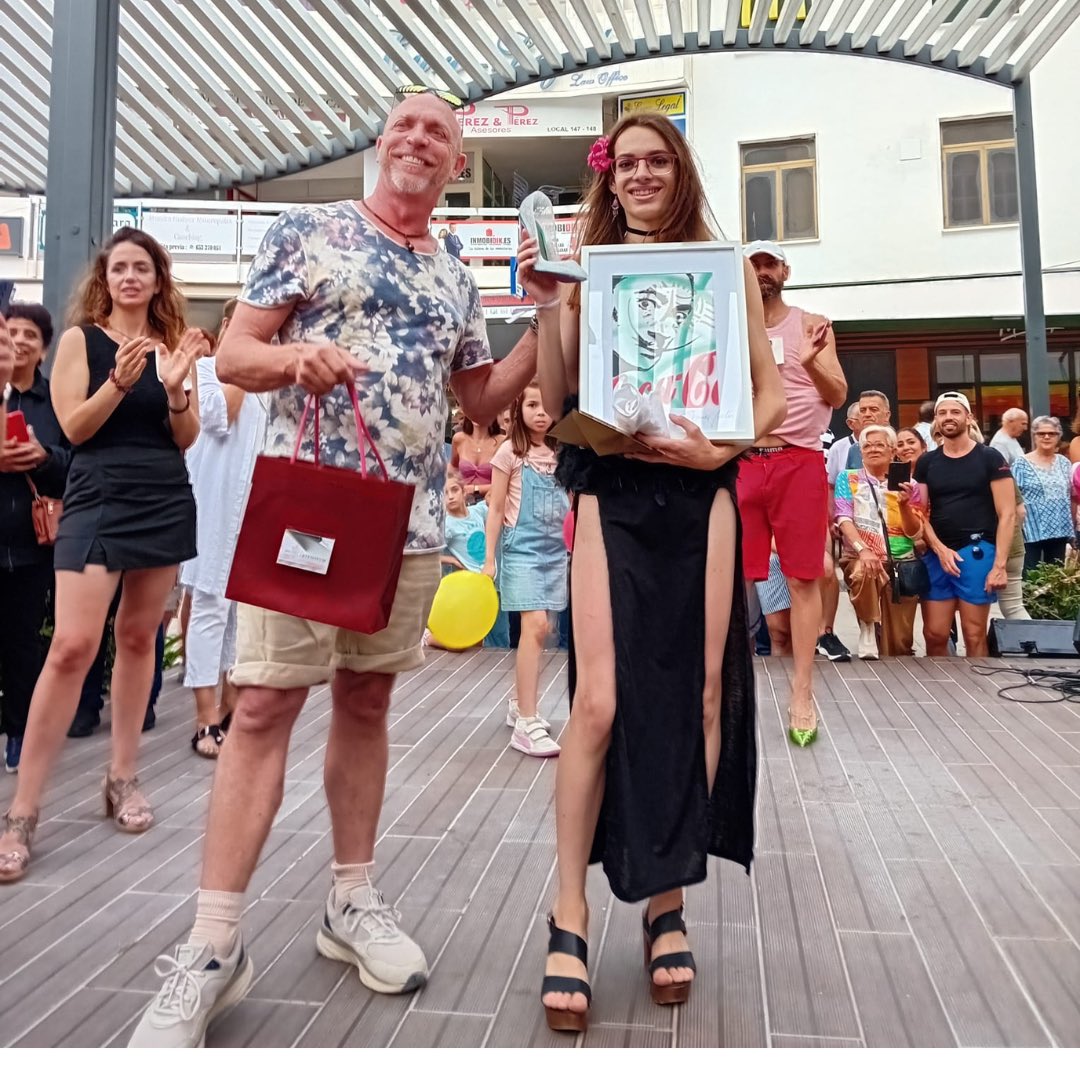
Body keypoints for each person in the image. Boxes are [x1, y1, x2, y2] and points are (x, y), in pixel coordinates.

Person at [128, 87, 539, 1049]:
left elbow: (479, 391)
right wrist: (294, 357)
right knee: (264, 705)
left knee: (366, 704)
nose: (416, 139)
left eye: (437, 132)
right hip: (306, 515)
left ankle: (350, 903)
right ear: (381, 143)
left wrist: (551, 318)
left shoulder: (454, 272)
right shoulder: (306, 229)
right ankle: (215, 943)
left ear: (454, 163)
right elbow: (232, 352)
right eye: (404, 125)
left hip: (411, 526)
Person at [520, 113, 785, 1033]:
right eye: (625, 162)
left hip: (699, 489)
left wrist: (721, 444)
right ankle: (570, 911)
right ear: (609, 175)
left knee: (702, 696)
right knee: (597, 702)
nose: (639, 174)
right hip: (613, 493)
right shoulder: (583, 266)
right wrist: (550, 305)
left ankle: (666, 900)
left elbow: (766, 389)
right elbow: (557, 403)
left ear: (680, 171)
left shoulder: (725, 268)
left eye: (655, 160)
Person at [0, 227, 206, 884]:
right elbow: (74, 430)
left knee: (140, 637)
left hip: (162, 493)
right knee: (71, 646)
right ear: (105, 278)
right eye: (119, 267)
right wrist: (118, 383)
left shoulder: (172, 348)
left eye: (141, 267)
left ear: (156, 279)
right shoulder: (79, 342)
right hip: (96, 493)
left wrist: (174, 390)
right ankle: (22, 812)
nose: (130, 278)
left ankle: (122, 778)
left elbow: (186, 437)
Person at [740, 240, 847, 746]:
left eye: (769, 263)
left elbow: (839, 395)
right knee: (727, 576)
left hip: (799, 460)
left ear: (784, 270)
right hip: (739, 460)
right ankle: (720, 685)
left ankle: (802, 691)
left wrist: (811, 361)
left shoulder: (812, 324)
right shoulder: (728, 323)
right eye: (753, 263)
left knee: (806, 577)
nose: (762, 271)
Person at [180, 300, 266, 758]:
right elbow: (216, 417)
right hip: (212, 504)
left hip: (257, 510)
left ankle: (232, 711)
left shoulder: (272, 380)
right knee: (210, 604)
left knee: (243, 616)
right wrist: (239, 362)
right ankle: (203, 716)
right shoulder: (207, 368)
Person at [0, 303, 71, 774]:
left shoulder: (55, 402)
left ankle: (19, 732)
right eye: (11, 335)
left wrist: (43, 458)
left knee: (24, 643)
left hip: (31, 545)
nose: (18, 342)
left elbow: (76, 465)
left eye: (29, 335)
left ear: (44, 347)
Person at [483, 380, 567, 757]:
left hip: (556, 551)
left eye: (546, 405)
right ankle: (529, 721)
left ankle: (519, 702)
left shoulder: (565, 453)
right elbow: (496, 508)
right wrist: (489, 559)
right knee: (533, 627)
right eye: (532, 405)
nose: (540, 413)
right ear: (519, 410)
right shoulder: (509, 453)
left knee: (545, 630)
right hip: (523, 552)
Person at [913, 392, 1015, 657]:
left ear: (969, 417)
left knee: (973, 634)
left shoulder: (990, 458)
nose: (949, 417)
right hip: (938, 555)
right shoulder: (927, 462)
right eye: (942, 413)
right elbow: (919, 513)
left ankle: (977, 695)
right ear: (936, 420)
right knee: (934, 634)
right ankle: (943, 693)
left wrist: (1000, 566)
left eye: (955, 412)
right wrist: (939, 549)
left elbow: (1007, 514)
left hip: (977, 552)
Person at [834, 426, 924, 659]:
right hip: (861, 556)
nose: (873, 449)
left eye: (879, 445)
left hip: (901, 562)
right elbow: (843, 519)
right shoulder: (848, 478)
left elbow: (915, 534)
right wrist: (863, 550)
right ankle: (867, 626)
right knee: (864, 571)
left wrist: (904, 505)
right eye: (867, 445)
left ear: (893, 451)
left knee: (899, 646)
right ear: (860, 451)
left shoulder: (910, 485)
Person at [440, 471, 510, 648]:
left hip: (493, 579)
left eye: (454, 490)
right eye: (445, 493)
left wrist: (485, 492)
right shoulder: (448, 525)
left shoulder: (478, 511)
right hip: (473, 587)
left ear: (464, 492)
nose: (450, 496)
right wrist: (451, 560)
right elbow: (430, 553)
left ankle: (500, 665)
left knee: (500, 630)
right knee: (476, 631)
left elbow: (498, 494)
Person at [1012, 415, 1073, 572]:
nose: (1046, 436)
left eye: (1051, 433)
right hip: (1030, 531)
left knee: (1055, 580)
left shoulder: (1064, 463)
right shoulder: (1021, 463)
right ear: (1034, 436)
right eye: (1041, 433)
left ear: (1058, 436)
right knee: (1031, 580)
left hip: (1059, 530)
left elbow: (1070, 496)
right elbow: (1012, 497)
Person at [450, 414, 504, 504]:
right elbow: (453, 469)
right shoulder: (458, 439)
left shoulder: (502, 442)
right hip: (462, 503)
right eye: (474, 409)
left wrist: (475, 489)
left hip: (490, 502)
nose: (478, 413)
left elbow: (506, 484)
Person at [844, 390, 892, 471]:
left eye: (873, 409)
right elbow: (850, 482)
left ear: (887, 416)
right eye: (862, 410)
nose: (867, 414)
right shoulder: (854, 449)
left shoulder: (899, 445)